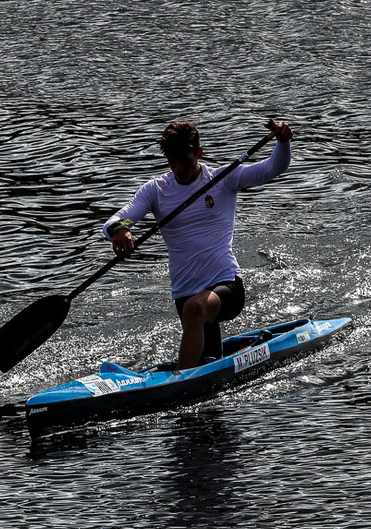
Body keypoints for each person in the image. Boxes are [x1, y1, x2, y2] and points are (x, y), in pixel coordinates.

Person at [103, 118, 293, 370]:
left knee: (195, 310)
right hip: (184, 293)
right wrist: (120, 230)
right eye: (172, 160)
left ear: (199, 153)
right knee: (207, 357)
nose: (178, 167)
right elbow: (113, 221)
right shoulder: (156, 190)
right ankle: (232, 356)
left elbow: (273, 168)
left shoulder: (223, 178)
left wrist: (283, 141)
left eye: (185, 159)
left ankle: (179, 383)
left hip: (225, 286)